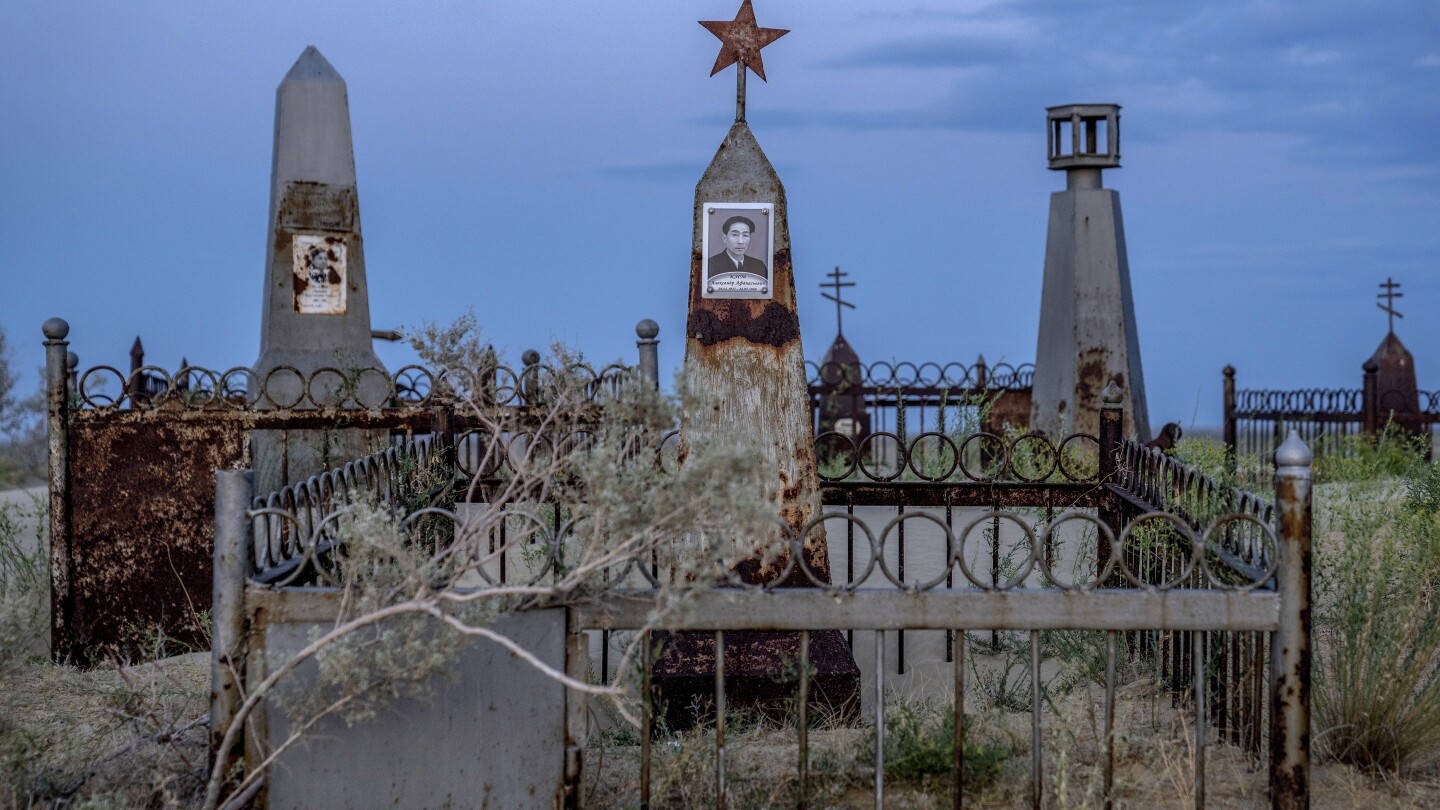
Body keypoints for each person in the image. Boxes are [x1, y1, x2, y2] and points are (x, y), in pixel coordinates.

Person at [707, 215, 768, 279]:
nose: (740, 241)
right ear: (724, 238)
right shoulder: (711, 265)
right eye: (735, 235)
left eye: (745, 235)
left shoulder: (758, 265)